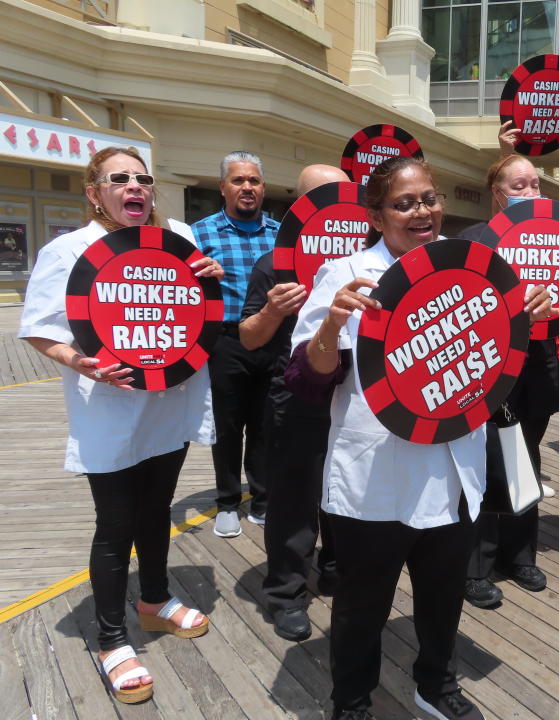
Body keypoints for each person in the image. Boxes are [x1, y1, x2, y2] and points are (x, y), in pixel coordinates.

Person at [285, 155, 553, 720]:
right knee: (362, 605)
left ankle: (436, 684)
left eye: (429, 198)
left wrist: (526, 314)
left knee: (442, 596)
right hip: (375, 478)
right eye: (404, 203)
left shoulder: (477, 270)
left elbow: (497, 364)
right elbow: (308, 379)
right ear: (377, 217)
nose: (423, 211)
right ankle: (352, 702)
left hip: (454, 472)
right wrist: (332, 325)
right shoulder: (346, 274)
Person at [18, 147, 223, 703]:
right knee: (115, 524)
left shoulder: (174, 244)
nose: (135, 186)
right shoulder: (70, 250)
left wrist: (209, 277)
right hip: (107, 407)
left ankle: (153, 599)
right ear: (94, 192)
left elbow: (201, 313)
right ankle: (111, 639)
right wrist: (76, 360)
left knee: (157, 509)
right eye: (119, 179)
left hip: (167, 402)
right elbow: (38, 327)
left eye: (143, 178)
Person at [241, 164, 349, 641]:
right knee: (292, 500)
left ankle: (335, 567)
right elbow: (247, 337)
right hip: (296, 397)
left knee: (346, 491)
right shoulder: (275, 265)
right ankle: (286, 591)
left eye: (344, 196)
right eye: (324, 197)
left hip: (354, 396)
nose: (336, 209)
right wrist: (271, 310)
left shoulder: (371, 260)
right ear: (300, 209)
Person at [460, 153, 559, 607]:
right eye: (520, 185)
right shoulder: (471, 241)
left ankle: (519, 555)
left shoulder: (556, 242)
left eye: (536, 184)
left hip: (536, 371)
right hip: (484, 371)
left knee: (527, 461)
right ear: (497, 194)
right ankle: (476, 566)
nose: (531, 193)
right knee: (482, 465)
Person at [192, 151, 279, 538]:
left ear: (263, 188)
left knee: (265, 426)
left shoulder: (281, 234)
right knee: (227, 427)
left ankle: (261, 500)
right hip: (225, 342)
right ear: (223, 187)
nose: (247, 188)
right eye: (239, 181)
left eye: (254, 181)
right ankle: (227, 501)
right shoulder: (199, 234)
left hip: (273, 339)